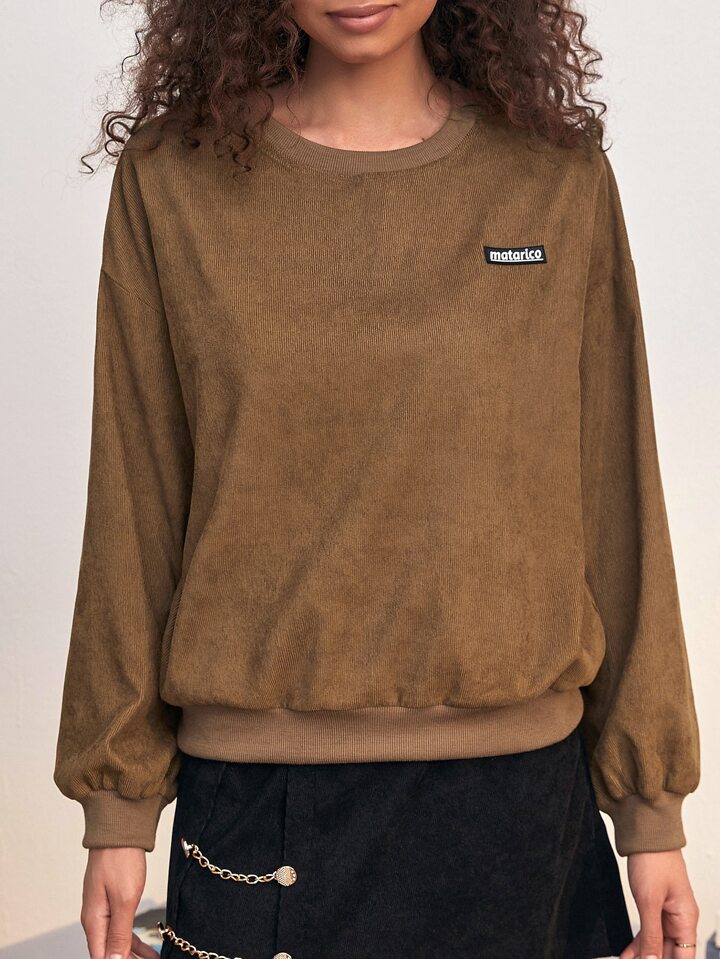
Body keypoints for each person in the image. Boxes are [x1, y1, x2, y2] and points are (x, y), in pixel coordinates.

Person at [54, 2, 702, 958]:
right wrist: (118, 806)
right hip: (260, 799)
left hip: (520, 812)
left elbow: (617, 499)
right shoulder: (172, 179)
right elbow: (133, 500)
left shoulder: (554, 174)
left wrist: (650, 816)